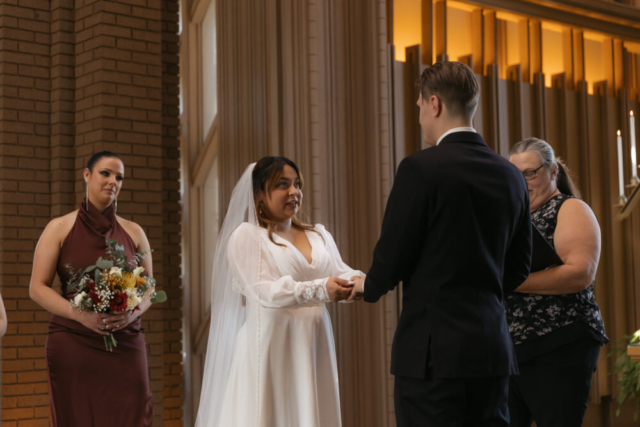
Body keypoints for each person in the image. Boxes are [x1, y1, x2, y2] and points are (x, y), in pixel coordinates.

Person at [349, 61, 532, 426]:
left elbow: (393, 254)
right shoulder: (511, 176)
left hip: (433, 357)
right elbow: (519, 267)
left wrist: (368, 285)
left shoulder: (419, 168)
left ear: (434, 104)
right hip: (492, 353)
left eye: (418, 106)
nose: (418, 117)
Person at [195, 156, 362, 427]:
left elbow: (341, 270)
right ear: (259, 193)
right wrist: (322, 288)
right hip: (272, 343)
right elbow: (266, 291)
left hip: (313, 341)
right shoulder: (247, 236)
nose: (294, 191)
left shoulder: (318, 235)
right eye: (282, 184)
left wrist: (365, 281)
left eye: (297, 184)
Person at [29, 151, 154, 426]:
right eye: (105, 173)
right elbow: (37, 288)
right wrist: (79, 313)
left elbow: (149, 289)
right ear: (87, 175)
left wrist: (131, 313)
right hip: (74, 342)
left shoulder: (134, 231)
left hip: (126, 343)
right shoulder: (58, 227)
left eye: (119, 177)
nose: (113, 181)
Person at [506, 137, 607, 427]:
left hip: (559, 342)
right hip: (510, 348)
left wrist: (511, 282)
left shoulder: (570, 208)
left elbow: (580, 273)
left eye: (530, 173)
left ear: (552, 172)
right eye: (516, 175)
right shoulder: (513, 217)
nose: (522, 181)